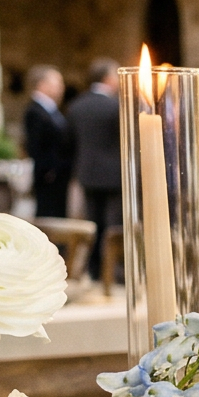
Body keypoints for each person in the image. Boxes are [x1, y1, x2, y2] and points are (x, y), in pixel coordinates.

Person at [67, 59, 122, 280]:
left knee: (93, 223)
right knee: (114, 226)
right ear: (107, 78)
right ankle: (115, 272)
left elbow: (70, 143)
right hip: (114, 175)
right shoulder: (116, 105)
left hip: (87, 174)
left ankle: (95, 270)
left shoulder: (76, 106)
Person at [21, 65, 74, 221]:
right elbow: (36, 145)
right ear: (42, 84)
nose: (61, 87)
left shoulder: (51, 109)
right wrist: (49, 170)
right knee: (48, 215)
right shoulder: (35, 111)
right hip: (48, 176)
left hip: (58, 175)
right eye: (57, 82)